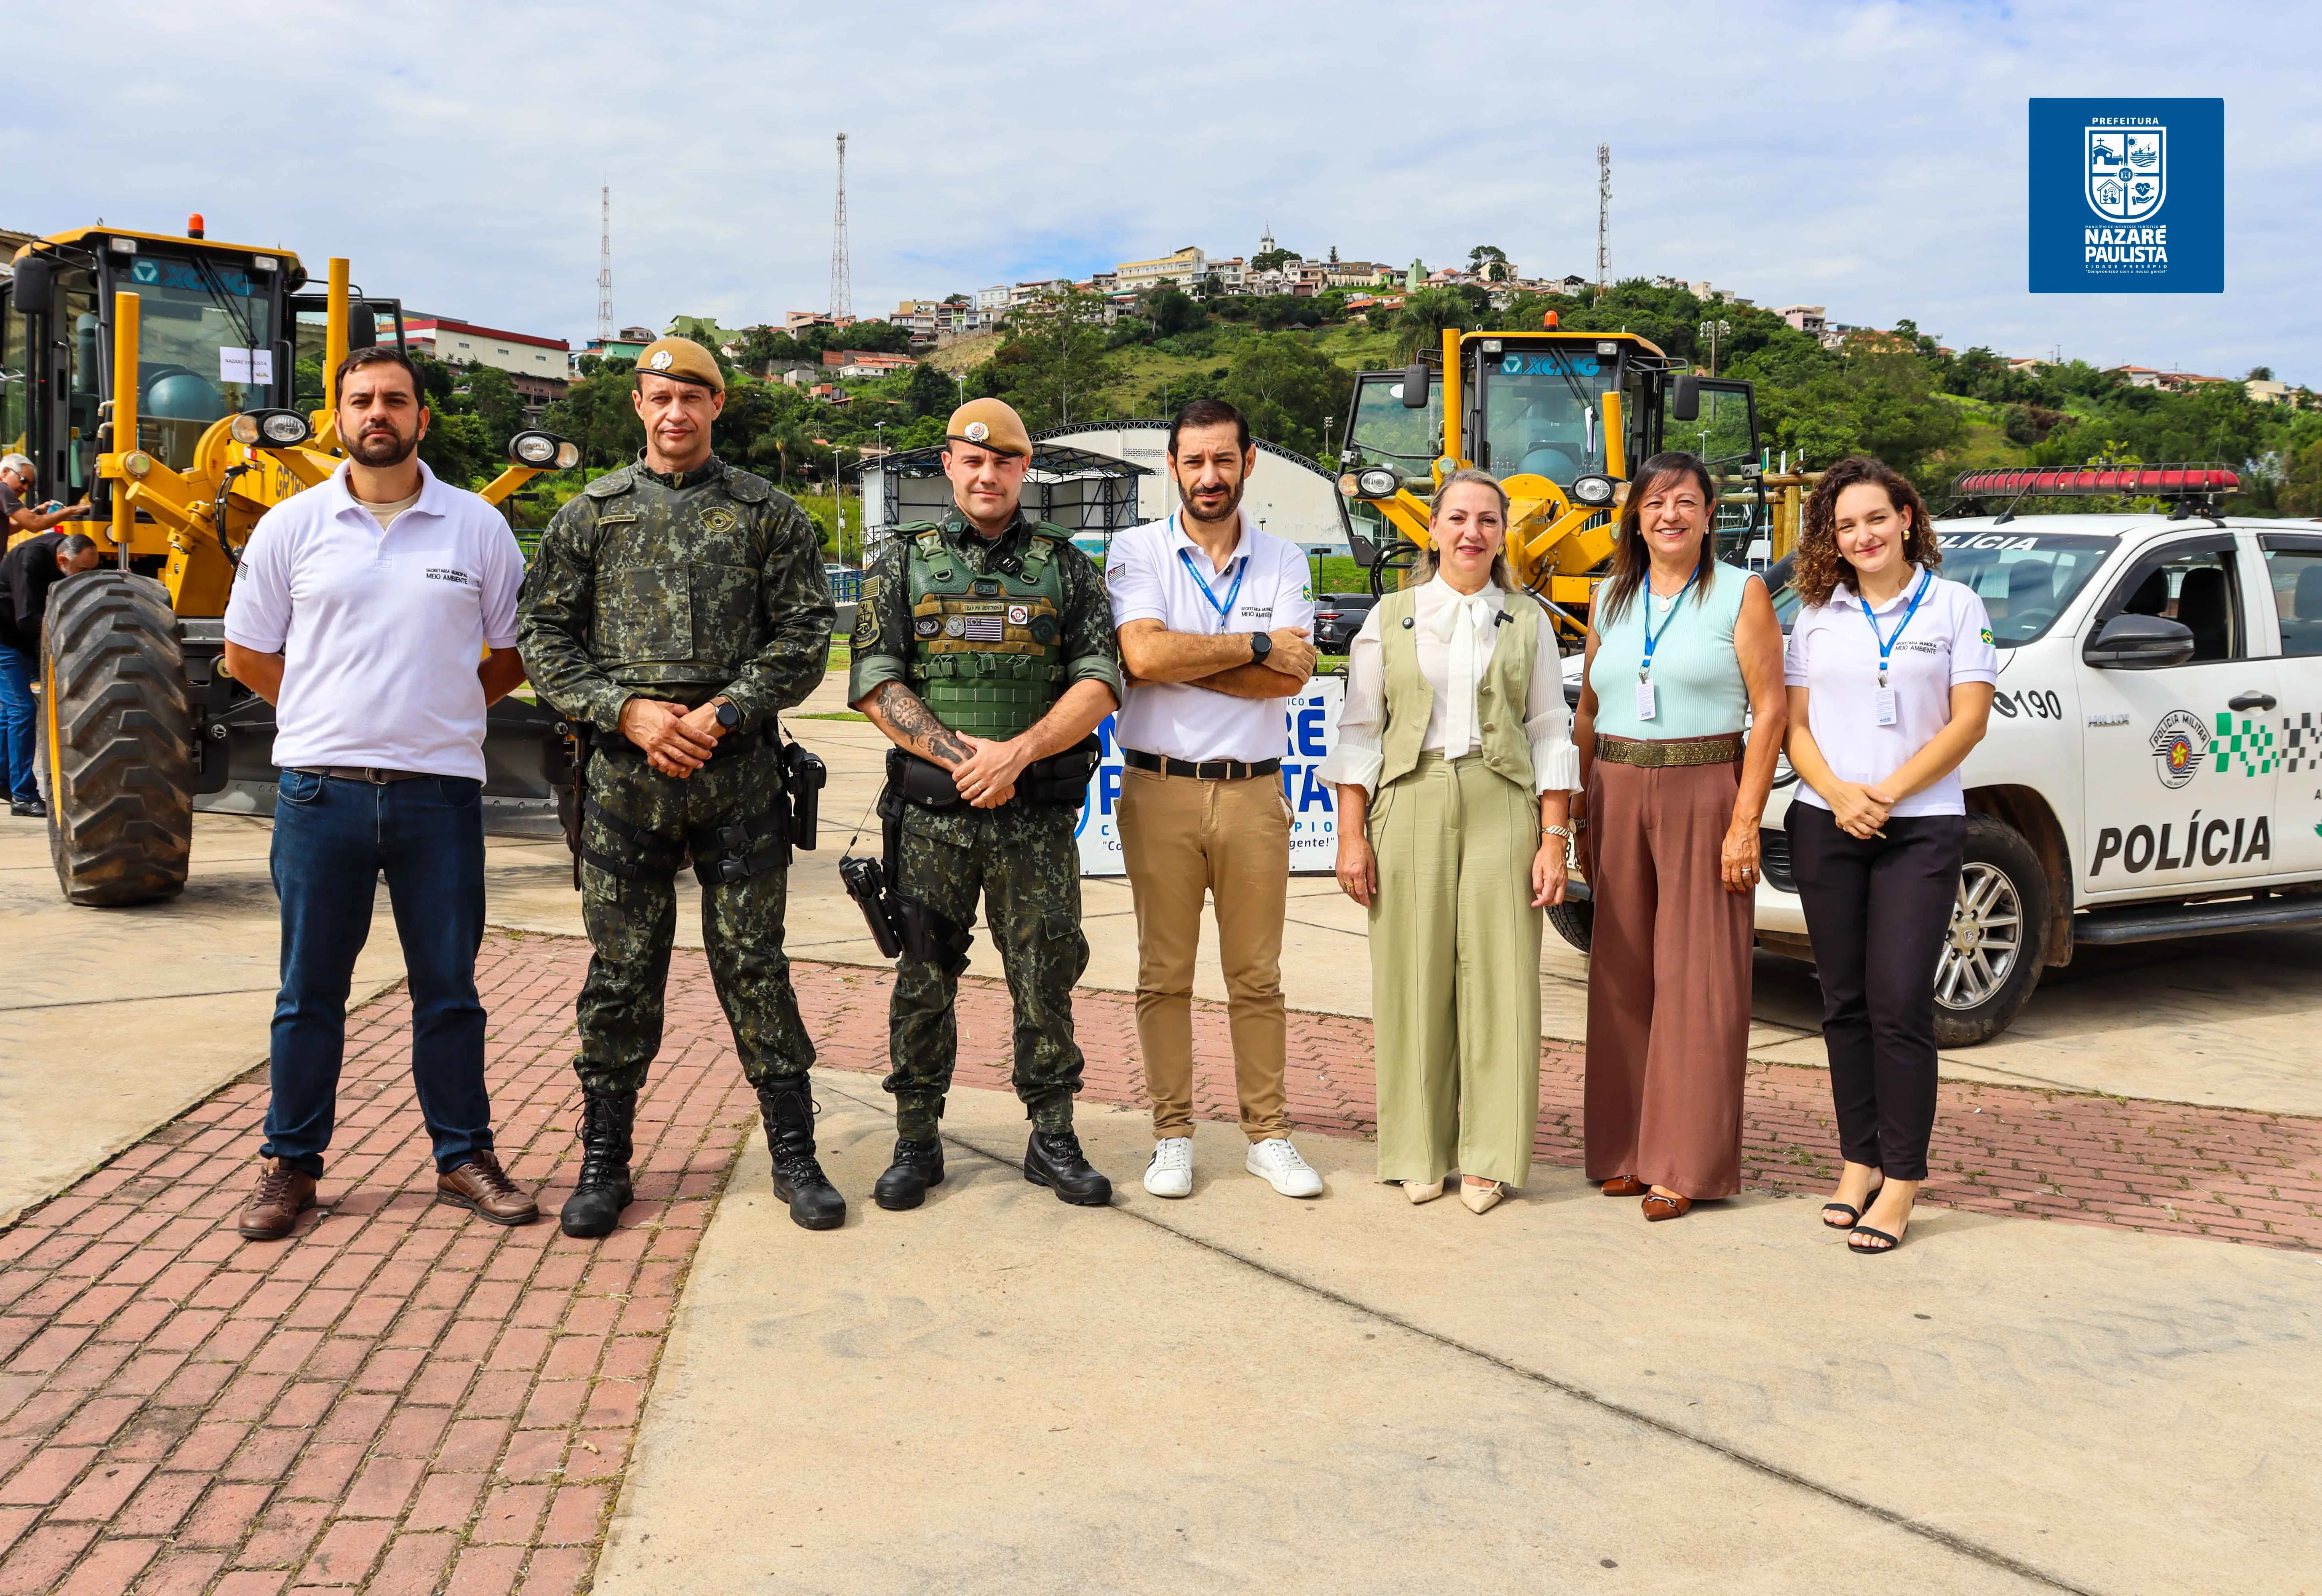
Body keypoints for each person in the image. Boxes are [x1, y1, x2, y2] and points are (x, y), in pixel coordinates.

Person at [519, 336, 840, 1238]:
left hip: (736, 777)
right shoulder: (588, 516)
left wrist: (726, 712)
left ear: (716, 406)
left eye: (692, 397)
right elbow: (543, 636)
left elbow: (806, 634)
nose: (675, 412)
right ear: (638, 404)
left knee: (755, 965)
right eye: (660, 397)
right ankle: (605, 1161)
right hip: (626, 782)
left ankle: (795, 1155)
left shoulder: (768, 514)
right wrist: (624, 712)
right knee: (622, 974)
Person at [222, 346, 537, 1241]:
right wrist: (321, 713)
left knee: (449, 989)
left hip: (439, 796)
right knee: (308, 992)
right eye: (360, 400)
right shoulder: (291, 526)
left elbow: (515, 652)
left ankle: (462, 1157)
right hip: (319, 795)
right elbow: (244, 653)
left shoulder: (476, 526)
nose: (378, 414)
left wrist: (446, 710)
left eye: (395, 400)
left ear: (421, 418)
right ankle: (289, 1164)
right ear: (337, 418)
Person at [849, 397, 1122, 1210]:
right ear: (948, 465)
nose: (986, 473)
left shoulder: (1066, 566)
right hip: (933, 820)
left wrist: (1017, 754)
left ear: (1023, 468)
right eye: (971, 459)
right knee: (923, 978)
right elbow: (875, 679)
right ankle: (916, 1137)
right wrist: (963, 759)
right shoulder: (901, 564)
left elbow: (1100, 678)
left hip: (1033, 819)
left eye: (1003, 460)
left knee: (1045, 976)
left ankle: (1052, 1135)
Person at [1321, 470, 1580, 1214]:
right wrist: (1350, 836)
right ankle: (1416, 1151)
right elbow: (1359, 730)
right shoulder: (1390, 617)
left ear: (1503, 535)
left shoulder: (1526, 618)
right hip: (1408, 798)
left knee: (1504, 981)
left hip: (1503, 800)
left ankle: (1492, 1156)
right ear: (1432, 530)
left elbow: (1547, 729)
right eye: (1458, 518)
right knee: (1411, 978)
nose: (1472, 532)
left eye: (1487, 520)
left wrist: (1553, 838)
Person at [1107, 399, 1323, 1199]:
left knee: (1256, 976)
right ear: (1171, 466)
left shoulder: (1284, 559)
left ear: (1247, 462)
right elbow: (1140, 655)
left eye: (1222, 460)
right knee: (1163, 974)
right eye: (1193, 461)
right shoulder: (1136, 549)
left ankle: (1267, 1135)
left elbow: (1289, 677)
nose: (1208, 475)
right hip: (1158, 788)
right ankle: (1172, 1135)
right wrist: (1253, 645)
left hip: (1253, 792)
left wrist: (1183, 659)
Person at [1782, 455, 1995, 1254]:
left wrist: (1884, 795)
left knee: (1898, 1001)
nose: (1862, 535)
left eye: (1875, 518)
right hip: (1825, 822)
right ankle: (1857, 1162)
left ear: (1906, 518)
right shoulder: (1816, 614)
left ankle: (1901, 1180)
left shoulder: (1955, 606)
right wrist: (1840, 796)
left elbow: (1967, 722)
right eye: (1845, 525)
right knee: (1842, 1002)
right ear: (1830, 537)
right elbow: (1794, 728)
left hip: (1920, 827)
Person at [1574, 452, 1786, 1221]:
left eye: (1685, 502)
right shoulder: (1609, 596)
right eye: (1655, 503)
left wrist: (1744, 822)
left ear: (1708, 515)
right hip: (1616, 784)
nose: (1669, 515)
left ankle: (1684, 1162)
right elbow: (1588, 710)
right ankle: (1625, 1150)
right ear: (1634, 516)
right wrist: (1580, 812)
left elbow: (1770, 711)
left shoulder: (1740, 592)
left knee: (1699, 979)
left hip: (1703, 786)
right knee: (1621, 970)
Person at [0, 527, 102, 816]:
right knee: (21, 710)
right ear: (62, 560)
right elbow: (27, 618)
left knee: (8, 714)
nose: (85, 577)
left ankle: (4, 780)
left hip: (20, 641)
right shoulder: (29, 558)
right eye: (82, 571)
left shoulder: (68, 555)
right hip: (5, 637)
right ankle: (24, 796)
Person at [0, 453, 91, 539]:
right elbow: (34, 525)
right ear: (5, 472)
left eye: (30, 485)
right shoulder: (3, 489)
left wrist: (37, 511)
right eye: (23, 480)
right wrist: (72, 510)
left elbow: (9, 529)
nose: (26, 488)